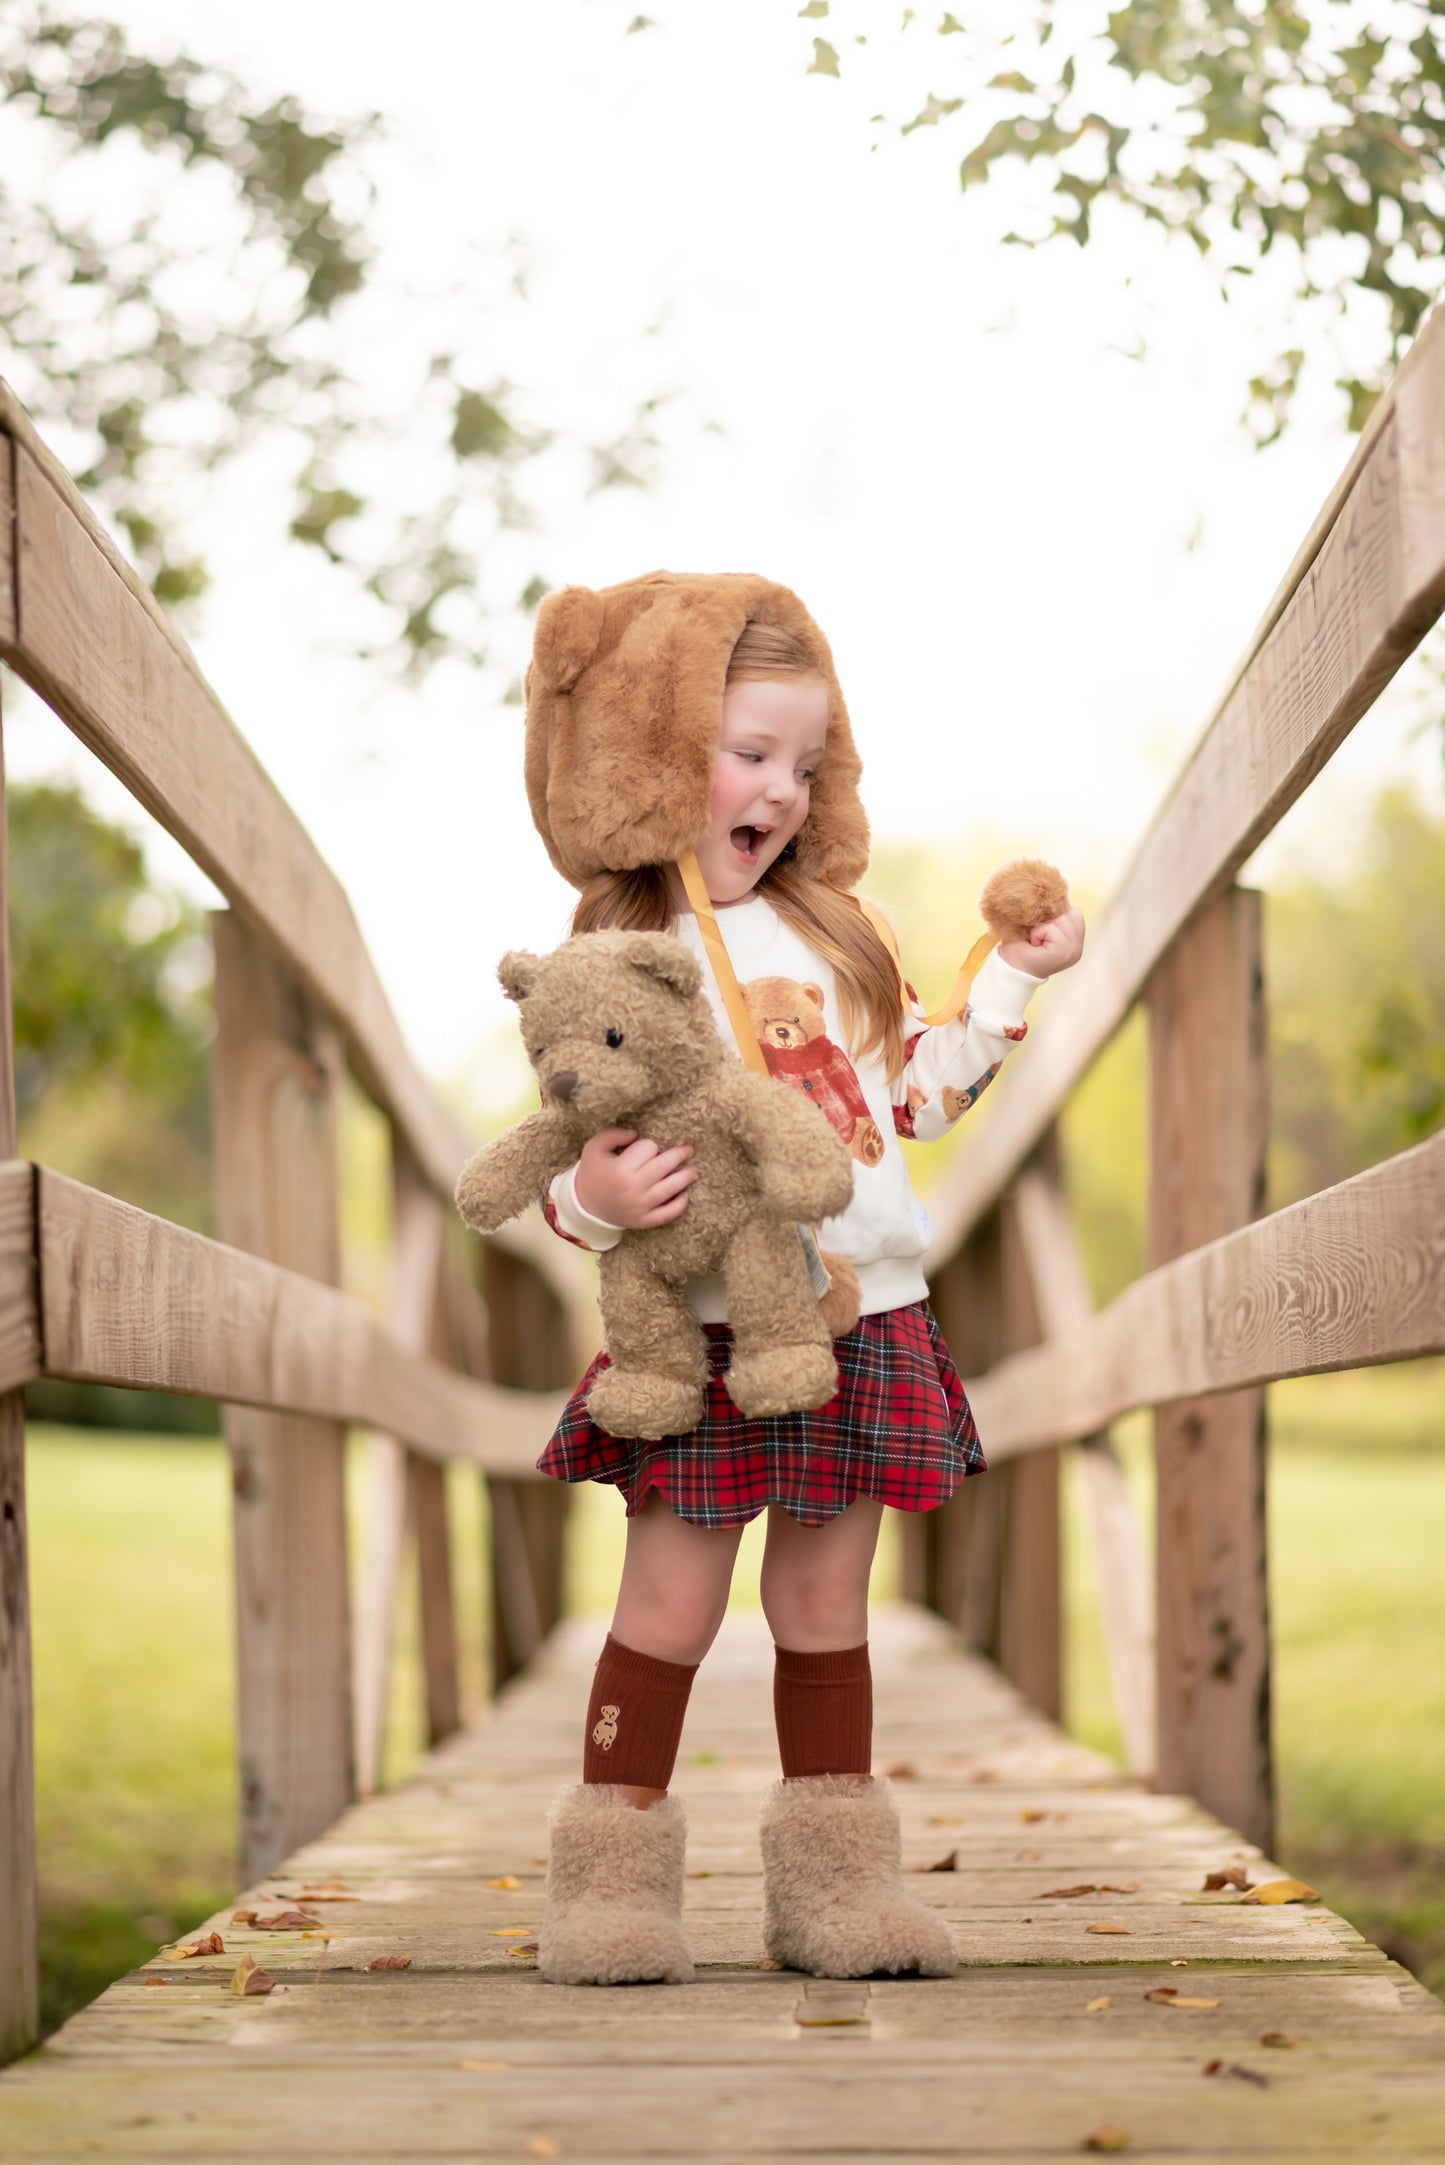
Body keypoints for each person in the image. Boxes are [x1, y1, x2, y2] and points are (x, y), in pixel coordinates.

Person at [518, 570, 1085, 1986]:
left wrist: (1009, 981)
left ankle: (834, 1891)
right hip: (697, 1339)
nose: (777, 786)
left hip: (861, 1318)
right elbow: (559, 1143)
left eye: (803, 762)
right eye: (748, 751)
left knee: (824, 1613)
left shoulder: (843, 929)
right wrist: (591, 1200)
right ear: (659, 754)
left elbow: (919, 1102)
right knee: (666, 1610)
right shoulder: (615, 945)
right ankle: (611, 1884)